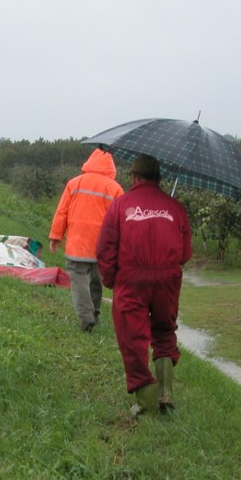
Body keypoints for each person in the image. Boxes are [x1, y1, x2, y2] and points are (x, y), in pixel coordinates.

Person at [96, 154, 192, 416]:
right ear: (159, 178)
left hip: (131, 281)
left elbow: (105, 249)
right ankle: (165, 395)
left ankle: (146, 401)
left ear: (133, 177)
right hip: (168, 281)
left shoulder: (120, 206)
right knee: (164, 332)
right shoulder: (176, 208)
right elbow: (185, 254)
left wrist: (110, 280)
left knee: (133, 338)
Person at [49, 148, 124, 332]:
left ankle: (86, 317)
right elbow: (120, 220)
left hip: (77, 244)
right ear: (110, 166)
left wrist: (55, 237)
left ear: (89, 162)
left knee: (79, 280)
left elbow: (62, 213)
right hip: (102, 247)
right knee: (96, 281)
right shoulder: (115, 188)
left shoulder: (74, 183)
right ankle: (95, 313)